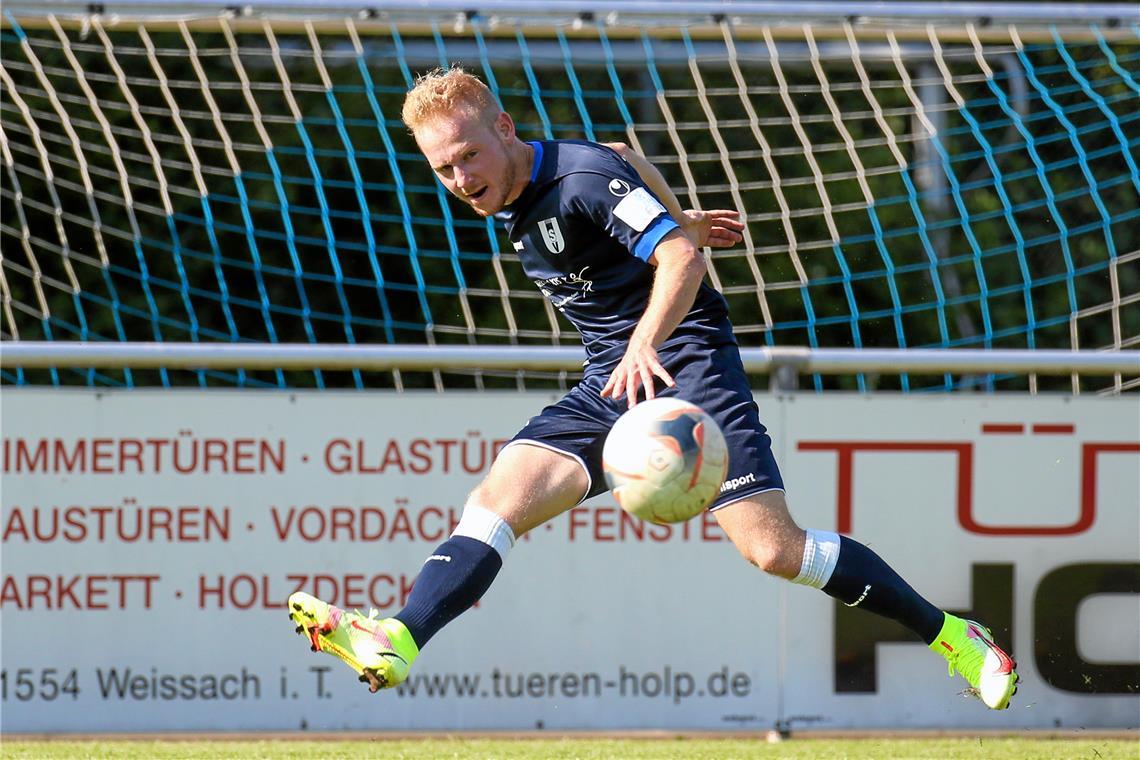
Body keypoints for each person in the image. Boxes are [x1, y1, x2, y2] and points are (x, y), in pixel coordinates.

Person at [287, 67, 1018, 711]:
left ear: (505, 127)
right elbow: (627, 158)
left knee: (774, 552)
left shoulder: (574, 182)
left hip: (688, 367)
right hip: (612, 379)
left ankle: (957, 636)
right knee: (495, 502)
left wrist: (666, 271)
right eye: (443, 168)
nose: (460, 179)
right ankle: (398, 639)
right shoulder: (515, 187)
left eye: (469, 155)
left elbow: (678, 261)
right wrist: (679, 218)